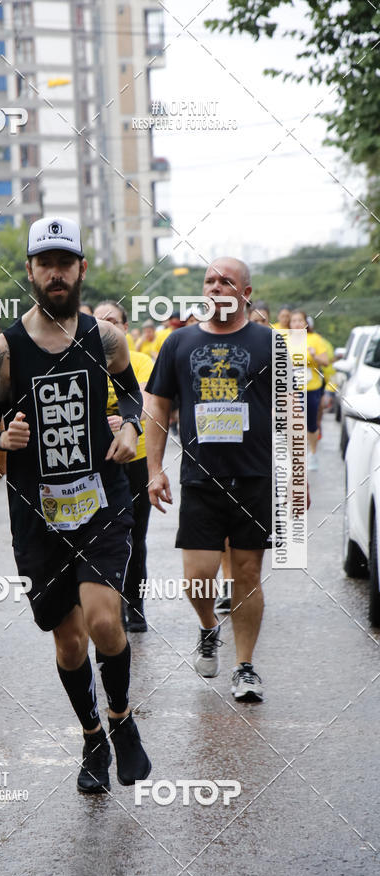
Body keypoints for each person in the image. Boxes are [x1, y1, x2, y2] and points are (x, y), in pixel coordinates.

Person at [0, 216, 150, 793]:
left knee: (103, 619)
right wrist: (3, 439)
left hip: (101, 500)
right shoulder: (4, 350)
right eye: (44, 263)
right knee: (69, 639)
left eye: (65, 262)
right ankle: (91, 736)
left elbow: (130, 392)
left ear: (79, 269)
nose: (55, 273)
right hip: (37, 514)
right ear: (29, 271)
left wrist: (127, 424)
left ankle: (122, 720)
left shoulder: (104, 337)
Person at [146, 257, 278, 702]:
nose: (216, 287)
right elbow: (158, 408)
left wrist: (297, 476)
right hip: (201, 480)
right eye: (210, 281)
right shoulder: (178, 342)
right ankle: (208, 628)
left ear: (246, 293)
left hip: (253, 477)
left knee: (247, 574)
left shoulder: (269, 342)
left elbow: (292, 410)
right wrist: (154, 468)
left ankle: (245, 667)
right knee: (197, 579)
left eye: (227, 282)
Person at [94, 302, 154, 631]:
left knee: (135, 536)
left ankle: (136, 605)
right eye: (100, 322)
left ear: (126, 328)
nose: (107, 327)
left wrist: (127, 420)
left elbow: (139, 398)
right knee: (103, 538)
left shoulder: (140, 360)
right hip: (97, 464)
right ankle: (108, 606)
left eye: (113, 321)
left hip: (135, 460)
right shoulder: (85, 360)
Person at [288, 309, 328, 471]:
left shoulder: (315, 339)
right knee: (295, 422)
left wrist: (314, 356)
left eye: (299, 320)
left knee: (311, 423)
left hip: (311, 387)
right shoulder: (284, 339)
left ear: (305, 323)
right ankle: (296, 455)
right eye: (293, 321)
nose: (296, 323)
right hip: (292, 388)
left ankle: (313, 453)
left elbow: (325, 361)